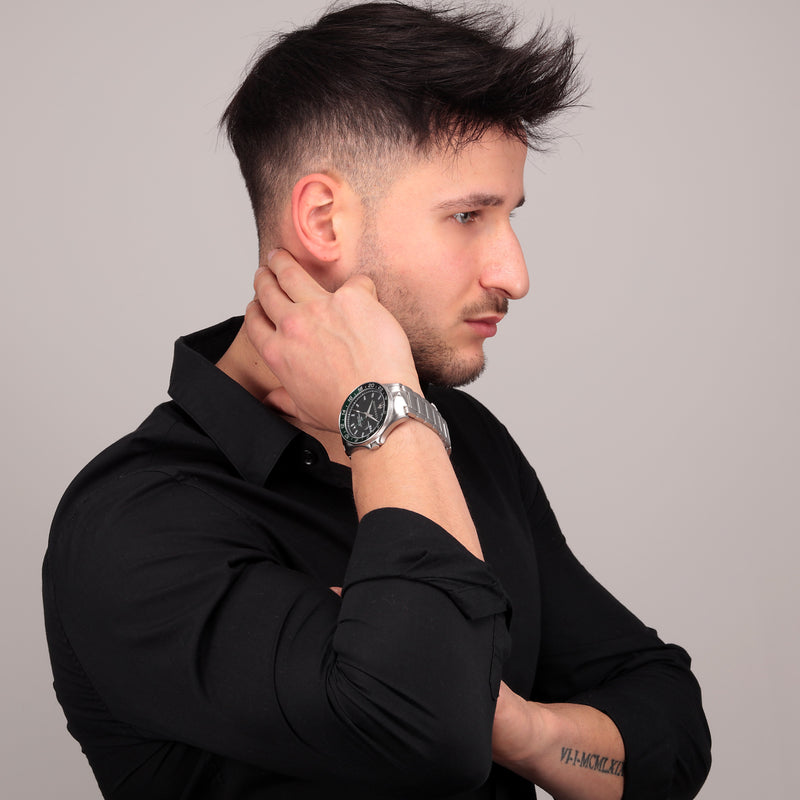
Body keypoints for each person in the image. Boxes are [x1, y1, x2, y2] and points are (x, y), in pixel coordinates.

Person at [43, 2, 712, 799]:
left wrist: (519, 728)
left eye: (509, 217)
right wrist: (387, 414)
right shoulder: (138, 522)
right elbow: (426, 740)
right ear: (323, 218)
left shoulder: (461, 439)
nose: (515, 274)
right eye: (467, 216)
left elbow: (668, 730)